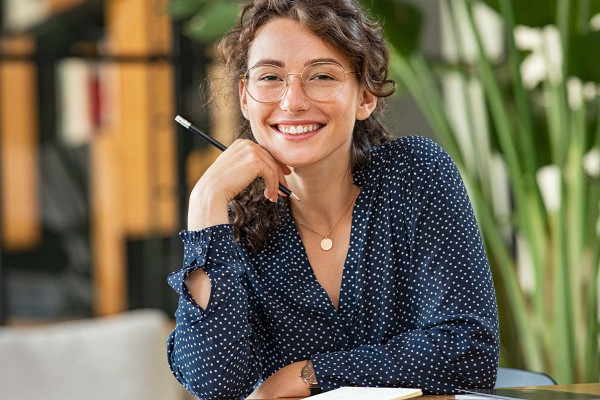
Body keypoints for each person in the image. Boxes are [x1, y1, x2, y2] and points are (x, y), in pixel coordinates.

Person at [166, 0, 499, 398]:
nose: (292, 101)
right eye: (270, 77)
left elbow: (470, 352)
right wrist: (205, 201)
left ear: (365, 97)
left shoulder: (414, 175)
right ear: (244, 97)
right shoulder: (228, 231)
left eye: (321, 76)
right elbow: (214, 384)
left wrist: (306, 375)